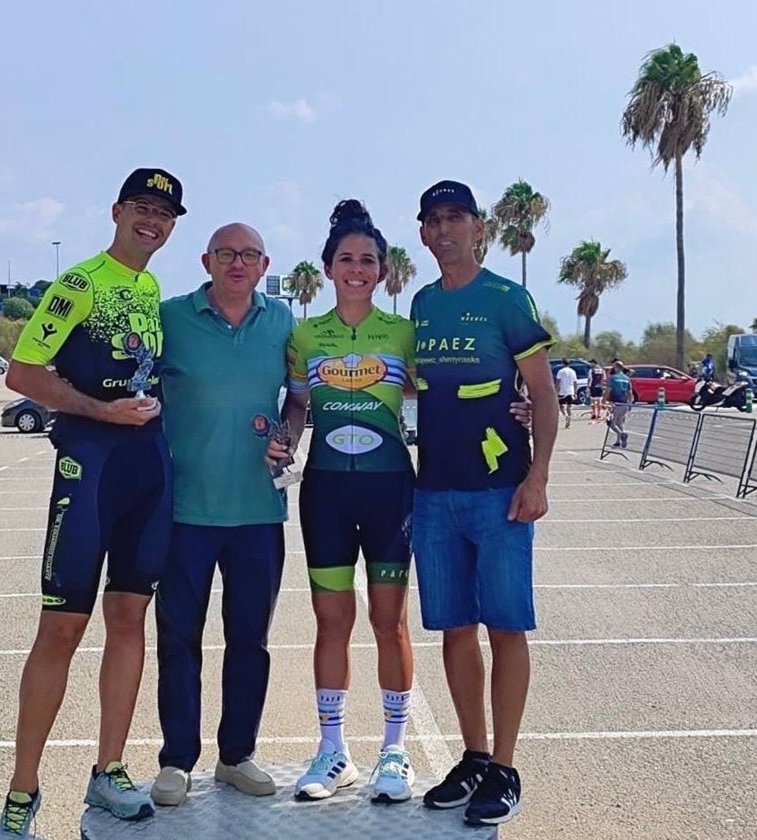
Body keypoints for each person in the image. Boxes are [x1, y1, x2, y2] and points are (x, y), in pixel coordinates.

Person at [0, 168, 185, 839]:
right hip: (91, 467)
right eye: (142, 208)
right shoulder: (79, 282)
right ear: (116, 211)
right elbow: (23, 373)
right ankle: (23, 792)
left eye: (164, 213)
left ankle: (108, 770)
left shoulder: (151, 287)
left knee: (129, 618)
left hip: (146, 468)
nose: (152, 221)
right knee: (62, 629)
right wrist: (99, 410)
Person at [408, 180, 558, 828]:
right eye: (433, 219)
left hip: (501, 490)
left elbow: (544, 396)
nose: (444, 230)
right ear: (422, 233)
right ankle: (471, 756)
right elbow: (409, 389)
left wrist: (539, 479)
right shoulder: (419, 304)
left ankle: (503, 766)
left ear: (478, 228)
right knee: (455, 629)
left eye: (455, 218)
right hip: (434, 491)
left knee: (505, 626)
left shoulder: (506, 298)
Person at [275, 200, 418, 804]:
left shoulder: (404, 333)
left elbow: (440, 398)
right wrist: (282, 440)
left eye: (367, 260)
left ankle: (394, 752)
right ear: (328, 268)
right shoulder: (305, 335)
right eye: (346, 259)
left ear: (382, 271)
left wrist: (512, 412)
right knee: (332, 622)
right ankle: (333, 752)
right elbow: (299, 406)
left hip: (391, 490)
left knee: (390, 622)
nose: (356, 269)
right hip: (327, 491)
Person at [150, 223, 295, 806]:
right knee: (178, 640)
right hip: (183, 511)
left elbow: (302, 397)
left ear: (264, 265)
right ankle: (176, 761)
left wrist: (288, 435)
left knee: (249, 642)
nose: (238, 263)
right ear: (207, 260)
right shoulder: (169, 317)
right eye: (227, 254)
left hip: (259, 512)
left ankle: (237, 755)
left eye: (250, 255)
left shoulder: (284, 323)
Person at [605, 361, 634, 448]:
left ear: (617, 367)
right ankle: (618, 441)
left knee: (611, 423)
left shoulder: (613, 378)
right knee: (619, 423)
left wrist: (603, 400)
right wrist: (630, 403)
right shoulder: (626, 378)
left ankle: (621, 434)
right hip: (624, 403)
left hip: (615, 403)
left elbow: (608, 390)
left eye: (614, 367)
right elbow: (629, 392)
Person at [554, 358, 577, 428]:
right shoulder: (573, 371)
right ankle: (569, 419)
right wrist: (575, 392)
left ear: (562, 363)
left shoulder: (560, 371)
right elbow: (575, 382)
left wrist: (556, 391)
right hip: (570, 391)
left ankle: (565, 416)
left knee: (561, 406)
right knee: (569, 407)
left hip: (562, 391)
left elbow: (558, 382)